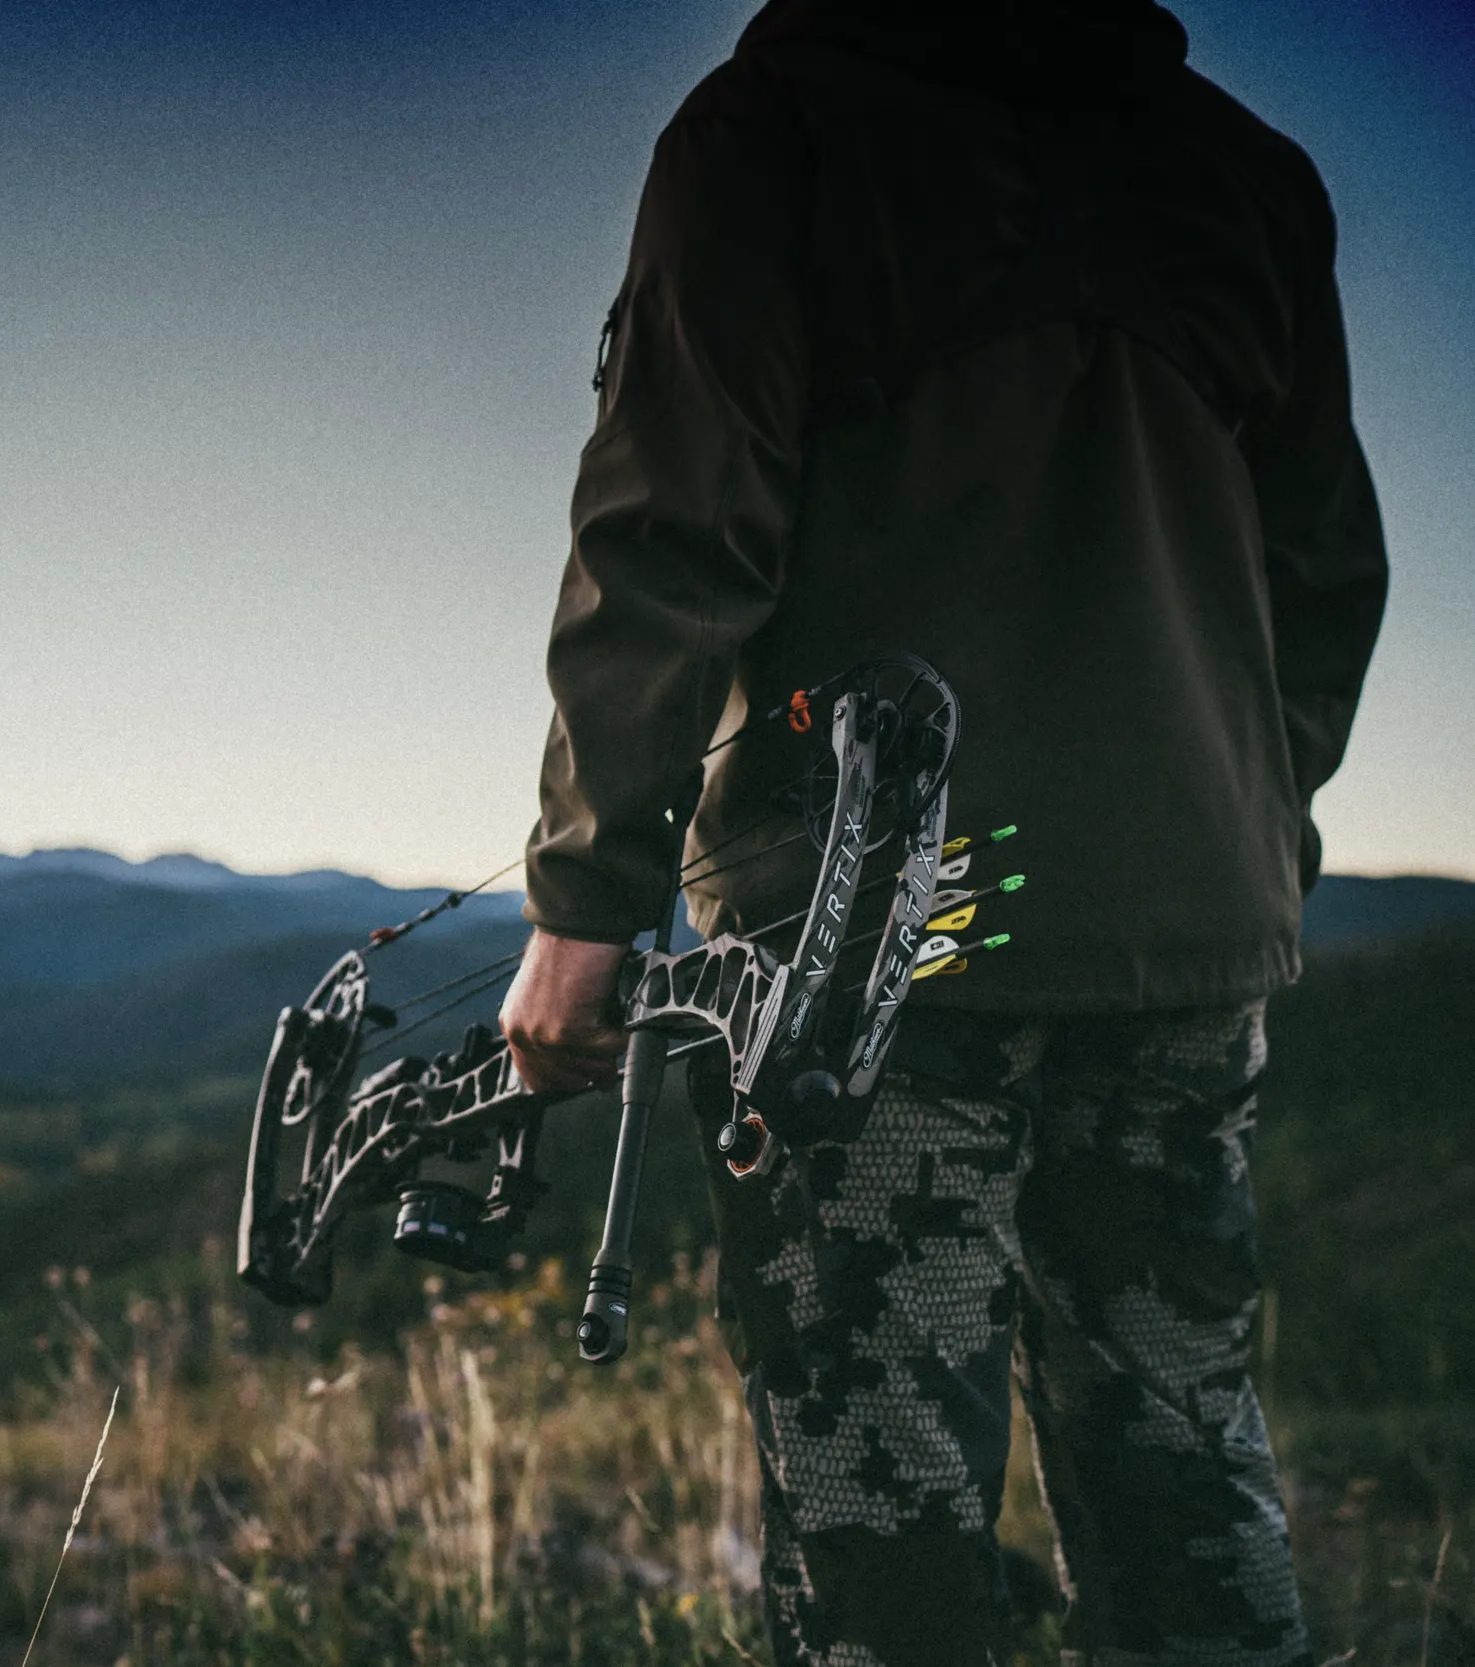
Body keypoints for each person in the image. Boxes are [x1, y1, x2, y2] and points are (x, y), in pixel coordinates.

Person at [496, 2, 1388, 1663]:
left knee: (878, 1506)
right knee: (1184, 1455)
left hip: (868, 962)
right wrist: (1246, 834)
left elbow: (673, 524)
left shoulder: (770, 134)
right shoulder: (1248, 180)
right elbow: (1325, 574)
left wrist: (584, 896)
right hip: (1182, 936)